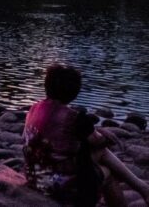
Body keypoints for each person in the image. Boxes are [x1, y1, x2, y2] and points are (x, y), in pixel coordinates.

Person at [23, 64, 149, 206]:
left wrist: (95, 132)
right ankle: (141, 188)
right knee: (107, 172)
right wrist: (105, 135)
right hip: (58, 185)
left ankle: (143, 188)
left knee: (95, 152)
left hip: (34, 177)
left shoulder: (34, 108)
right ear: (74, 92)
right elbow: (99, 142)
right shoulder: (74, 117)